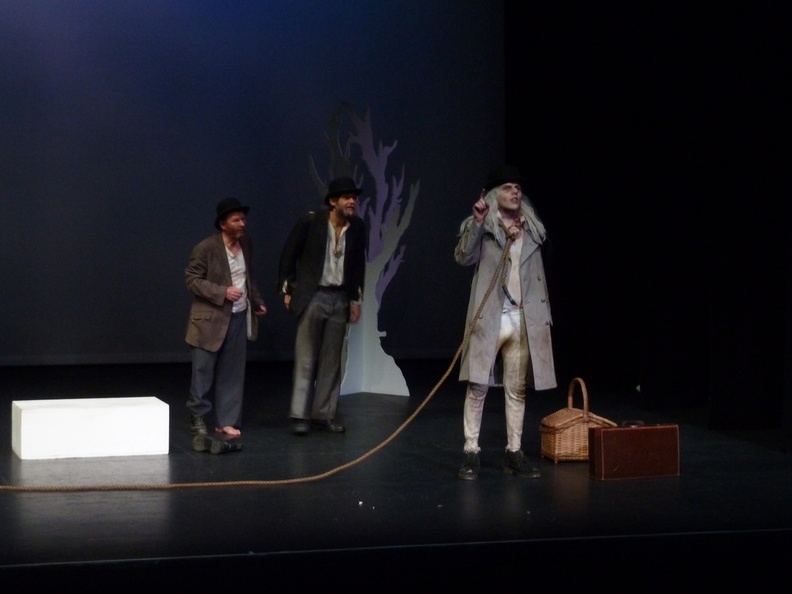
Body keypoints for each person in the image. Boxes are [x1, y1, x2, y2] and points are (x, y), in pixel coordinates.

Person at [454, 165, 557, 480]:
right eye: (509, 187)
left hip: (523, 317)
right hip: (491, 317)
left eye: (518, 188)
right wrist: (478, 223)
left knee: (517, 389)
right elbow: (463, 257)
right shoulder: (482, 226)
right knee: (478, 385)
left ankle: (514, 452)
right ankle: (471, 450)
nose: (516, 192)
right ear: (494, 194)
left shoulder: (532, 228)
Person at [278, 177, 367, 436]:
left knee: (332, 360)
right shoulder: (311, 221)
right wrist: (288, 289)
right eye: (347, 197)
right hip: (314, 295)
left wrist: (355, 300)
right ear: (333, 201)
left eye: (354, 197)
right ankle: (299, 415)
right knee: (306, 357)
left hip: (340, 296)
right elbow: (289, 255)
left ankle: (323, 415)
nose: (352, 201)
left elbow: (357, 265)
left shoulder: (357, 227)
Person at [185, 197, 267, 445]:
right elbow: (192, 280)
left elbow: (247, 276)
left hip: (238, 316)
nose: (242, 223)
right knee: (203, 371)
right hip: (209, 320)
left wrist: (256, 301)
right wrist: (223, 292)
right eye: (236, 220)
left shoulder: (246, 243)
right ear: (223, 224)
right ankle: (197, 418)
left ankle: (227, 420)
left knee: (232, 372)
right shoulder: (206, 247)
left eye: (243, 219)